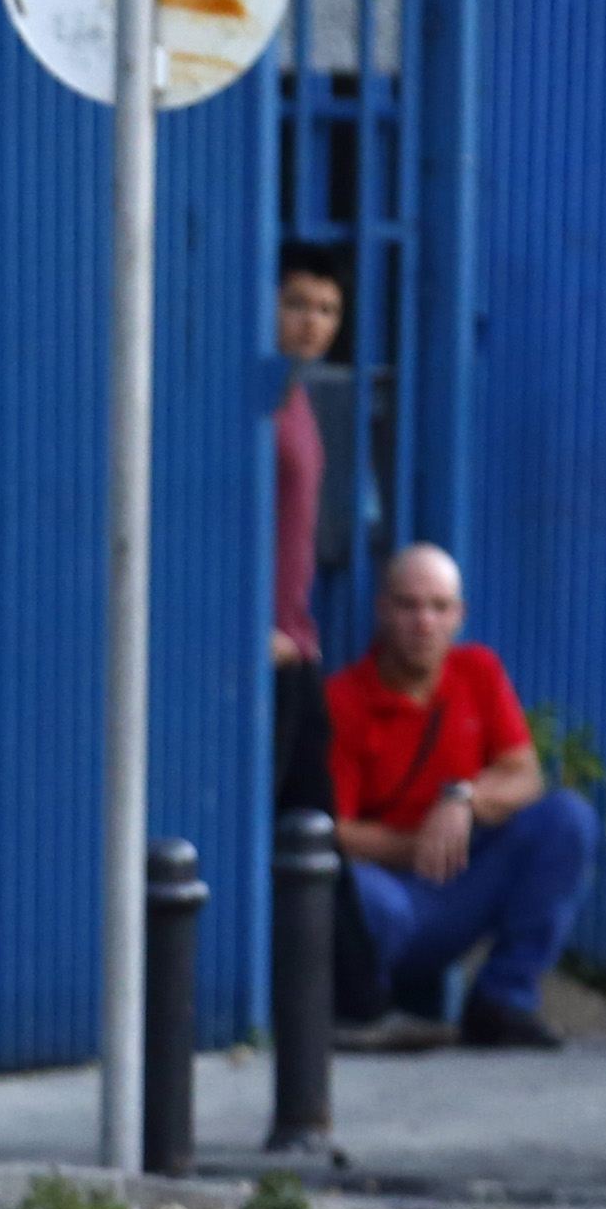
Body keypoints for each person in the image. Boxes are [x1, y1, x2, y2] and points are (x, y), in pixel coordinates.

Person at [328, 544, 599, 1050]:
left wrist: (463, 800)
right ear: (382, 610)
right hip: (392, 895)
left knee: (568, 819)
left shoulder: (478, 672)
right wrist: (419, 844)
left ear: (459, 616)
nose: (423, 622)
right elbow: (334, 832)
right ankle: (370, 1010)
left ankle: (503, 999)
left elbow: (526, 775)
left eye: (439, 607)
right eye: (408, 605)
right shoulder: (342, 700)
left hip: (466, 882)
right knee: (357, 896)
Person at [271, 244, 341, 818]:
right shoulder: (260, 398)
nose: (313, 322)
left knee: (310, 826)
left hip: (299, 641)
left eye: (327, 309)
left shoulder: (298, 394)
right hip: (267, 646)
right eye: (296, 303)